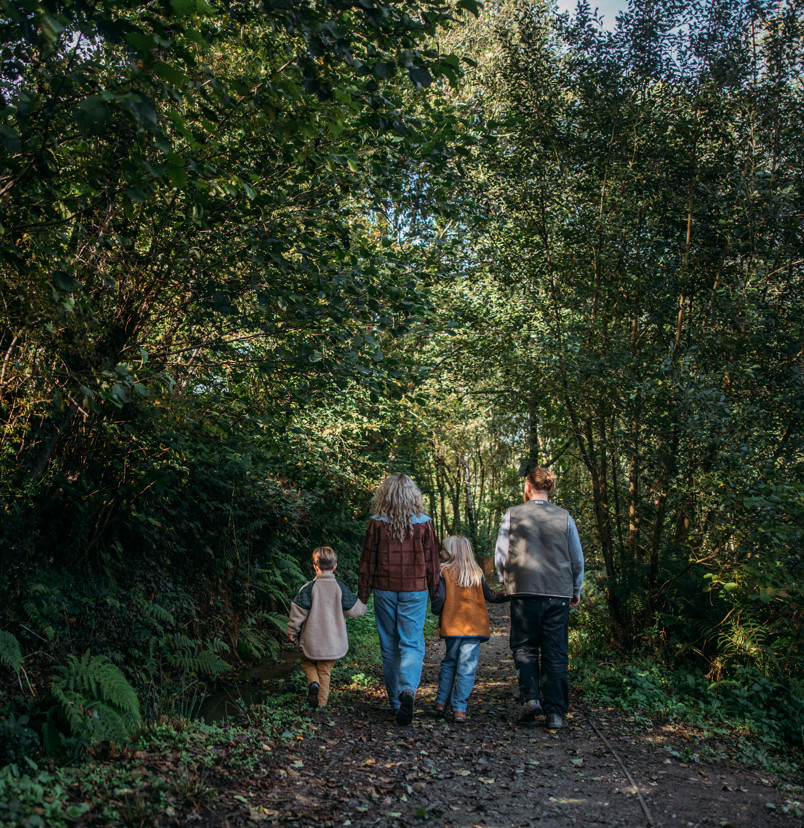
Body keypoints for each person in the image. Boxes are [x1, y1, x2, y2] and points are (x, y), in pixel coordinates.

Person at [494, 466, 584, 729]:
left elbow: (501, 553)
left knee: (524, 647)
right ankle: (555, 712)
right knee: (555, 652)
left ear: (528, 487)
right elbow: (576, 558)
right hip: (558, 593)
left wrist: (505, 580)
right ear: (549, 487)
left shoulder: (513, 514)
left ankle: (531, 699)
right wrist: (575, 589)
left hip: (523, 590)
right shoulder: (565, 517)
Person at [358, 473, 440, 725]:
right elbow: (433, 563)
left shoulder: (377, 523)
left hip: (384, 589)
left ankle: (395, 703)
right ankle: (408, 690)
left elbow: (367, 562)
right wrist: (436, 594)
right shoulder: (424, 523)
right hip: (414, 590)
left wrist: (362, 596)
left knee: (389, 645)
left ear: (386, 494)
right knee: (412, 642)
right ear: (412, 495)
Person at [430, 535, 509, 723]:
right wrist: (509, 595)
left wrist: (435, 610)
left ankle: (441, 703)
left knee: (449, 662)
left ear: (452, 552)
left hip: (452, 625)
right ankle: (459, 709)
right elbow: (490, 596)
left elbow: (439, 598)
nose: (441, 553)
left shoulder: (443, 571)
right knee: (467, 667)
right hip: (475, 627)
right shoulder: (476, 572)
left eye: (444, 550)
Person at [287, 546, 367, 710]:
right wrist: (364, 607)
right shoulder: (340, 587)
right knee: (325, 671)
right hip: (333, 641)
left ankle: (313, 682)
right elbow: (355, 610)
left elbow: (297, 611)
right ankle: (321, 704)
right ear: (335, 566)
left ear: (315, 567)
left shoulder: (309, 588)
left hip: (311, 640)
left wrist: (292, 630)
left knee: (307, 661)